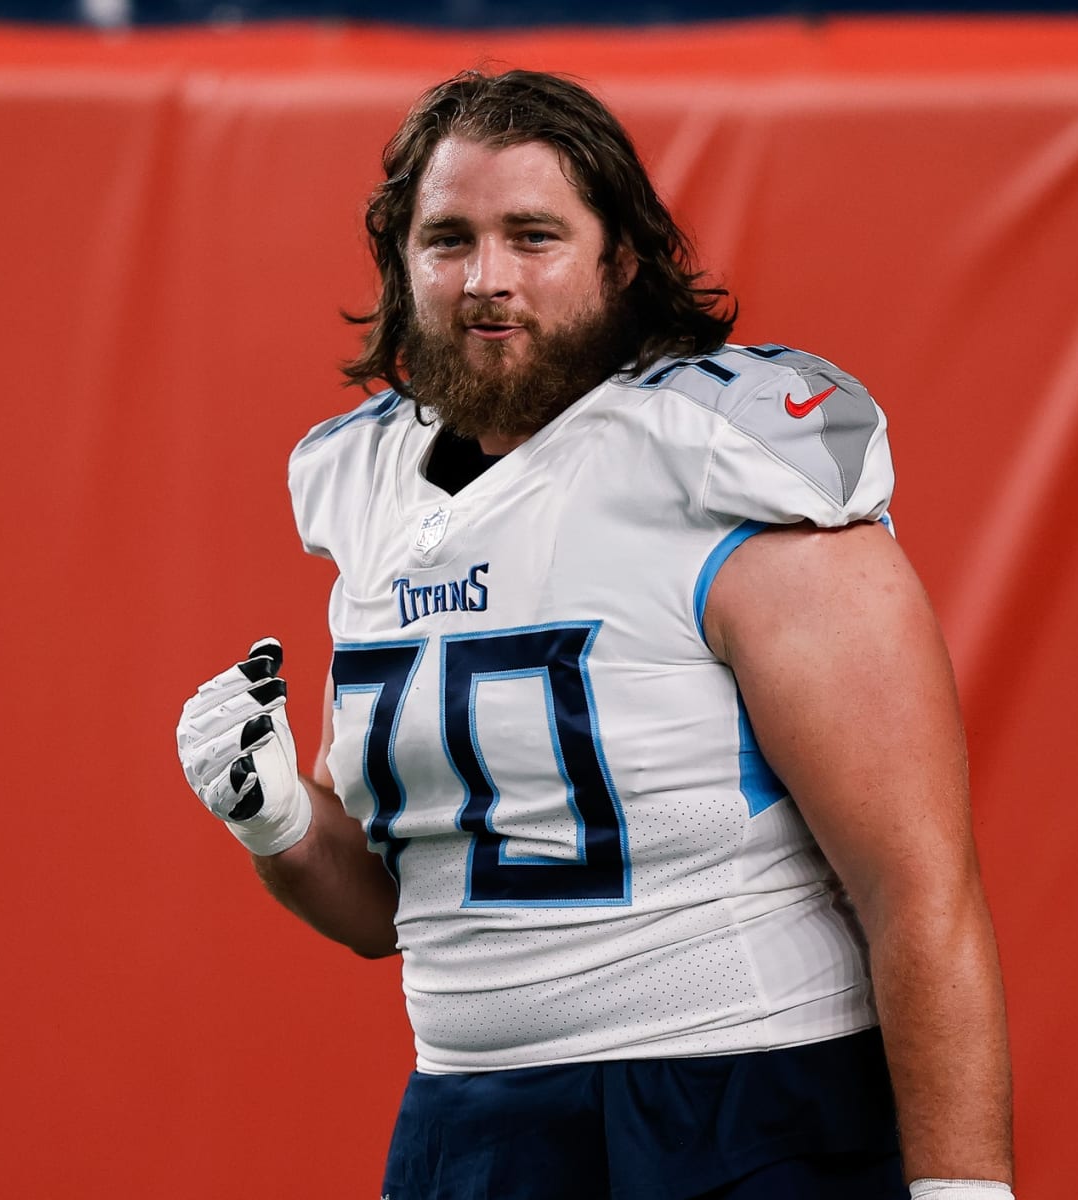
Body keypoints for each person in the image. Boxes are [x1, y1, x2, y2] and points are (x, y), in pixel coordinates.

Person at [176, 69, 1014, 1200]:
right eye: (448, 239)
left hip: (740, 1104)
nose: (487, 279)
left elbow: (921, 888)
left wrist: (965, 1189)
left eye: (534, 236)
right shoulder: (369, 491)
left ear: (620, 258)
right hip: (469, 1121)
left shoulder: (719, 459)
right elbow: (391, 914)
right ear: (400, 262)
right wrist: (277, 817)